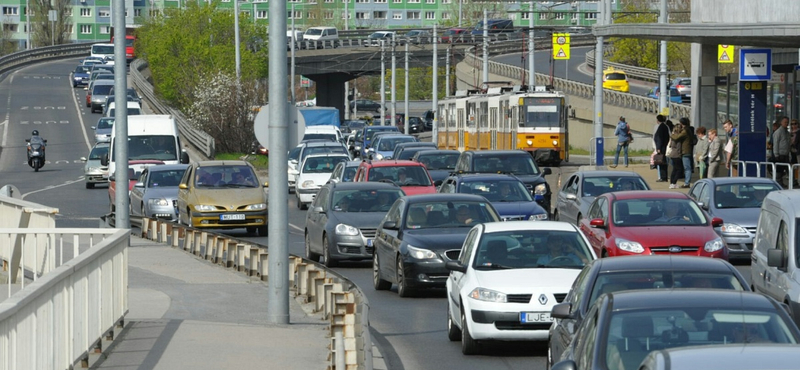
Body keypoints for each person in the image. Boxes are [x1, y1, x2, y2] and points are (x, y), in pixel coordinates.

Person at [668, 121, 688, 189]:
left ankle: (671, 183)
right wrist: (680, 154)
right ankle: (674, 182)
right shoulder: (678, 138)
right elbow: (679, 147)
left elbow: (671, 145)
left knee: (674, 169)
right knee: (679, 169)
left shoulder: (672, 137)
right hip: (677, 154)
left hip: (672, 153)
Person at [773, 116, 791, 186]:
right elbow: (776, 143)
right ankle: (779, 183)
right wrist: (776, 154)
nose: (786, 124)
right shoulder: (778, 132)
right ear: (781, 123)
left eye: (787, 122)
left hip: (786, 154)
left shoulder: (787, 132)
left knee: (787, 170)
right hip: (780, 154)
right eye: (785, 122)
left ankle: (788, 183)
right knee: (779, 171)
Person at [653, 114, 671, 182]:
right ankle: (664, 177)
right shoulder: (665, 126)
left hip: (661, 147)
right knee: (663, 161)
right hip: (664, 146)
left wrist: (658, 148)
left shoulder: (661, 127)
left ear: (658, 120)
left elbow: (659, 138)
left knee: (661, 162)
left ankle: (663, 177)